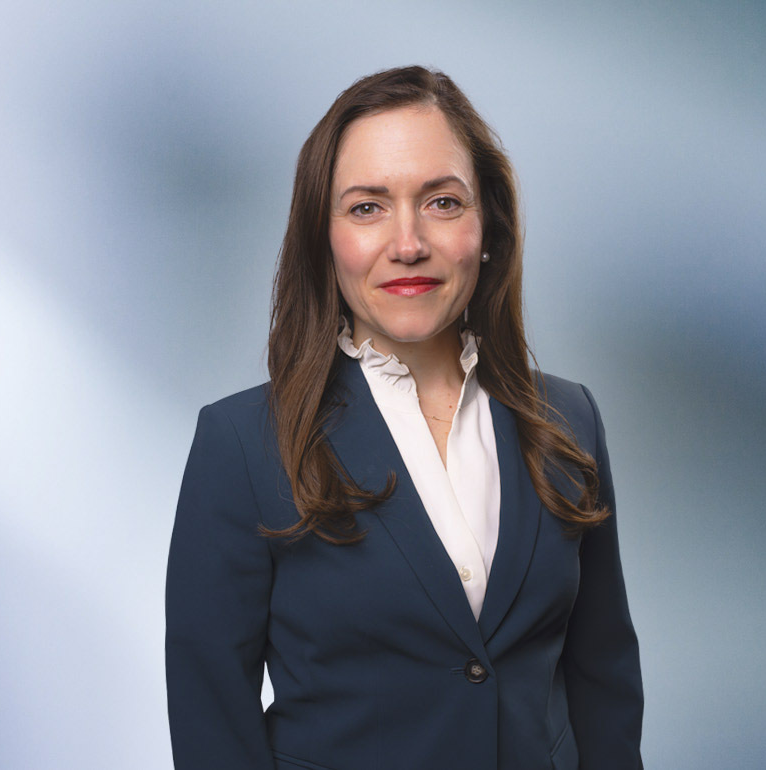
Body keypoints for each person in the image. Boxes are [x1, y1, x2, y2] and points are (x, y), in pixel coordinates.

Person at [164, 65, 644, 770]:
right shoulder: (241, 445)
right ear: (322, 240)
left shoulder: (569, 419)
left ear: (488, 228)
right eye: (367, 208)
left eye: (443, 202)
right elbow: (213, 728)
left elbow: (605, 686)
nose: (408, 242)